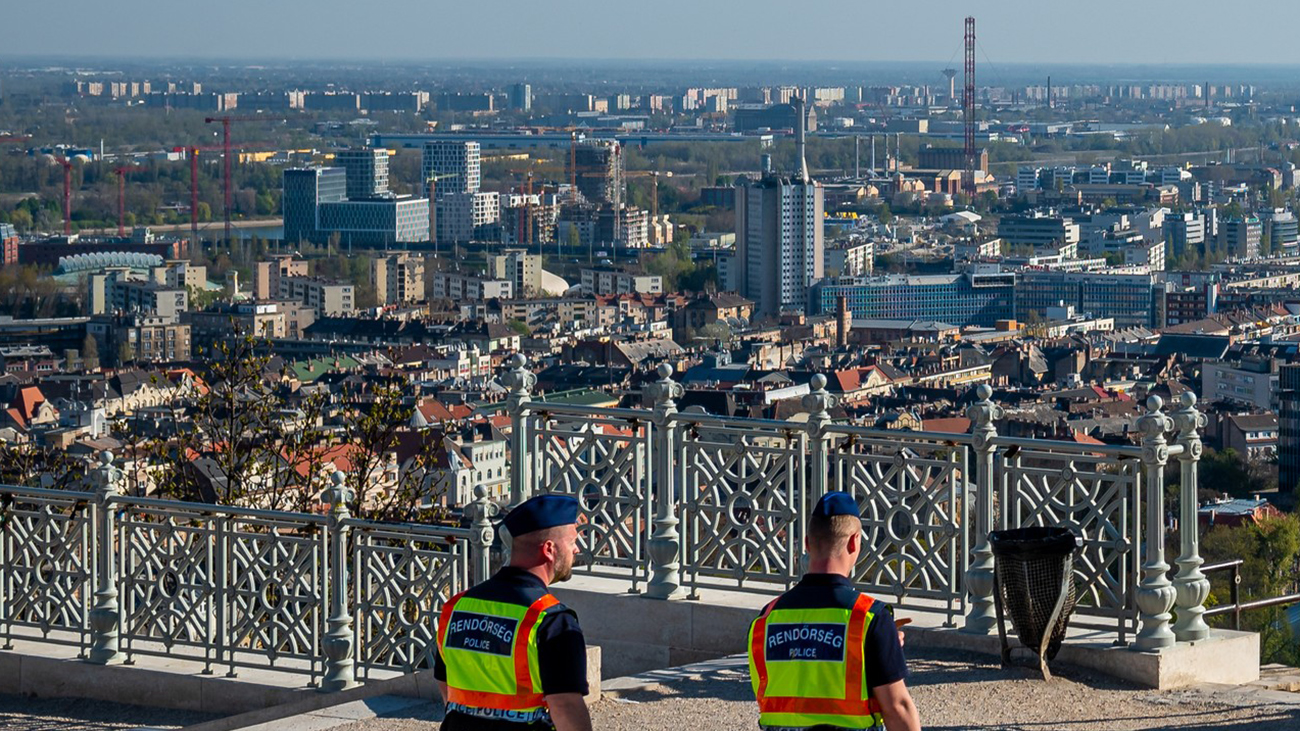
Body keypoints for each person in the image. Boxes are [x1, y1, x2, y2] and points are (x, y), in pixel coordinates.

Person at [747, 492, 921, 731]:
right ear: (854, 542)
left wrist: (880, 647)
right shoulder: (869, 618)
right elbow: (897, 708)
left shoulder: (764, 621)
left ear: (807, 543)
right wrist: (881, 644)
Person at [434, 493, 593, 731]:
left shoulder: (456, 607)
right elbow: (565, 706)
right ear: (549, 549)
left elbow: (446, 686)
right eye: (572, 542)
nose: (576, 549)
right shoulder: (552, 621)